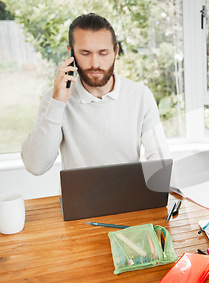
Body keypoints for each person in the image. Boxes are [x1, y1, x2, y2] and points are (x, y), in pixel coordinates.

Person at [21, 13, 169, 176]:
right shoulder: (55, 98)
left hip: (128, 198)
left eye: (103, 53)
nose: (95, 64)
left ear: (115, 52)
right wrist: (57, 102)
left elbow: (159, 156)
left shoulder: (140, 96)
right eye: (85, 53)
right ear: (71, 53)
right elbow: (35, 166)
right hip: (79, 200)